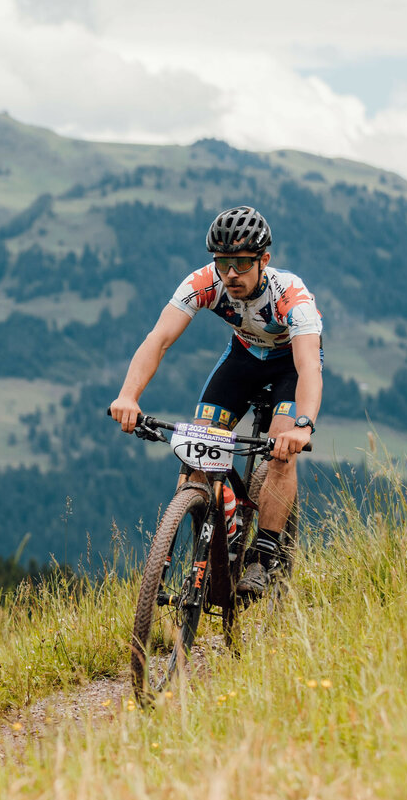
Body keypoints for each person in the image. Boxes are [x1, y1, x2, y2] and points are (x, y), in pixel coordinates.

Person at [108, 205, 321, 594]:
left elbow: (308, 366)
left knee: (280, 451)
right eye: (223, 263)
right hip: (243, 359)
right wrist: (128, 396)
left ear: (263, 260)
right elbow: (159, 339)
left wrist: (303, 426)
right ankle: (209, 538)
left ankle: (264, 557)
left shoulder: (291, 295)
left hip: (289, 365)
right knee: (197, 450)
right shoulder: (204, 282)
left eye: (243, 263)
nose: (232, 273)